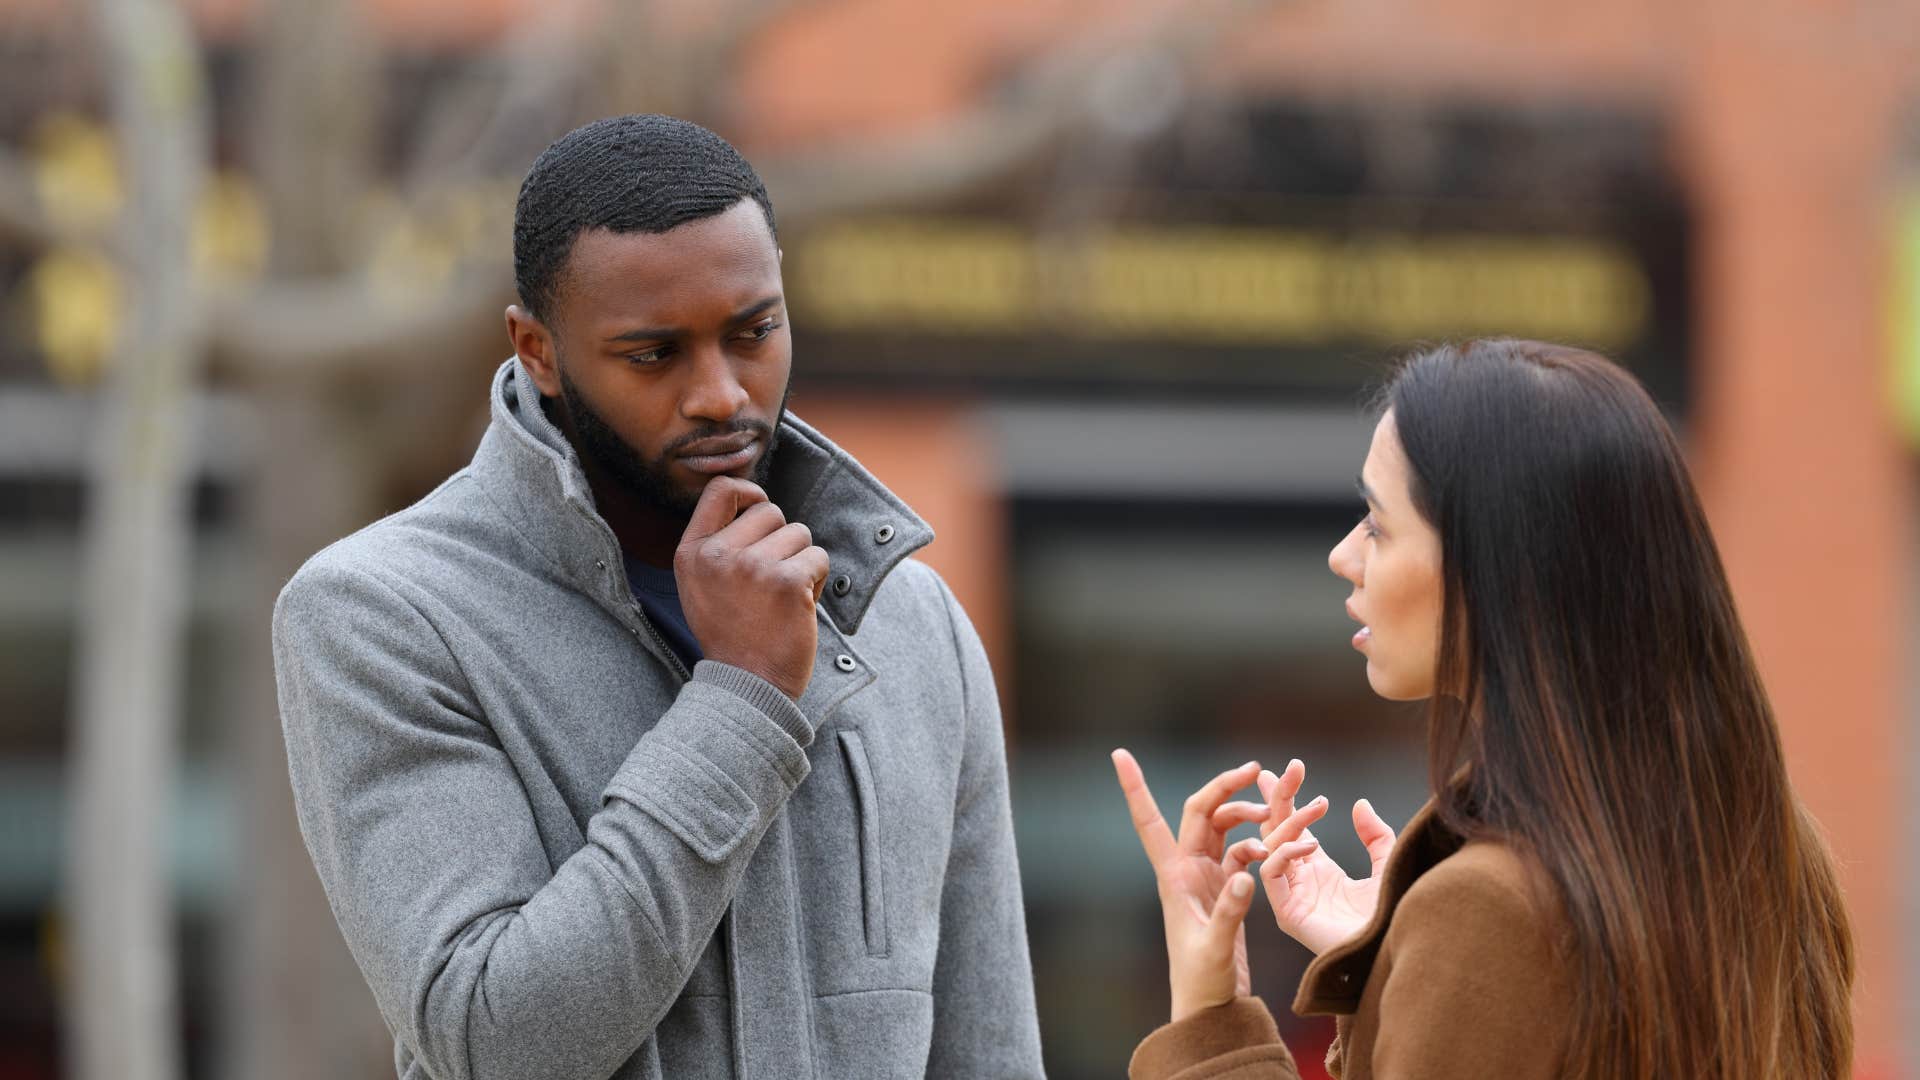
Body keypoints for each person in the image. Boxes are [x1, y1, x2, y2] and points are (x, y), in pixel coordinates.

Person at [272, 114, 1043, 1080]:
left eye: (753, 333)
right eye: (653, 354)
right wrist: (742, 698)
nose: (720, 394)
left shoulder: (909, 618)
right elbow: (496, 1044)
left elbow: (988, 1053)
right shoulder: (383, 616)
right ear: (538, 350)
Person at [1111, 339, 1855, 1079]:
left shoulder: (1485, 913)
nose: (1344, 556)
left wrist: (1213, 1024)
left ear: (1492, 569)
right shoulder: (1768, 850)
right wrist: (1398, 964)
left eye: (1377, 524)